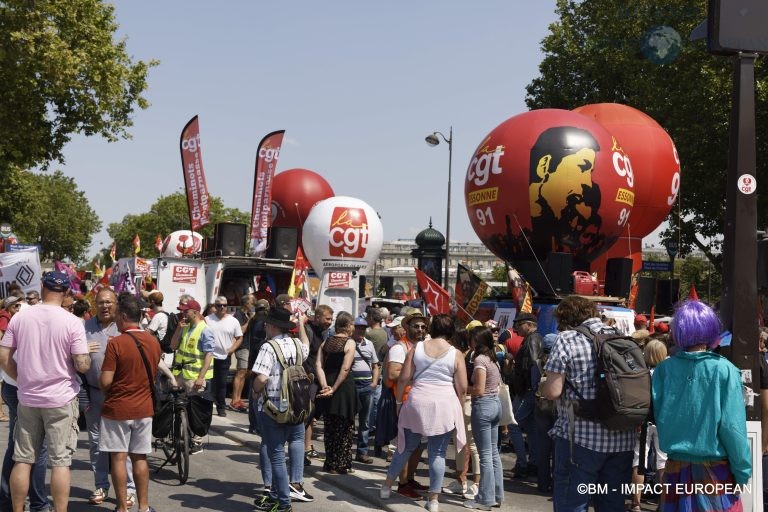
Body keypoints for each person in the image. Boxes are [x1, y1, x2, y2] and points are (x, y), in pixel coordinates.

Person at [0, 272, 91, 512]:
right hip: (60, 398)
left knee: (23, 459)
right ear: (66, 293)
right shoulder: (72, 321)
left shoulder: (21, 317)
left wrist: (22, 379)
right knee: (60, 462)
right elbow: (82, 365)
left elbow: (3, 356)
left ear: (42, 287)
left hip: (28, 397)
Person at [652, 300, 751, 511]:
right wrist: (743, 471)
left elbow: (660, 416)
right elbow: (733, 429)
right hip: (716, 472)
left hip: (675, 469)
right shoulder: (725, 370)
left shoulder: (664, 370)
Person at [540, 295, 636, 511]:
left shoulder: (567, 339)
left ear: (564, 319)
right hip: (622, 439)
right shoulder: (621, 336)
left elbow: (553, 391)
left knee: (572, 503)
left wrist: (544, 385)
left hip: (580, 440)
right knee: (612, 505)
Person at [380, 313, 468, 512]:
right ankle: (434, 500)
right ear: (450, 331)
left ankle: (386, 487)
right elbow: (461, 387)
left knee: (405, 446)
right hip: (444, 404)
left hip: (417, 401)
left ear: (431, 329)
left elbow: (403, 379)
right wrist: (459, 408)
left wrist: (398, 401)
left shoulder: (417, 348)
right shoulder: (456, 353)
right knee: (438, 453)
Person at [99, 293, 161, 512]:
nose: (115, 321)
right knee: (140, 458)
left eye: (117, 317)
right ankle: (143, 507)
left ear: (124, 316)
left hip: (118, 408)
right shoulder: (153, 342)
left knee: (118, 458)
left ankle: (121, 508)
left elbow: (105, 381)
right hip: (144, 408)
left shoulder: (116, 343)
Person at [252, 308, 314, 511]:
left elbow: (261, 378)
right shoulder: (296, 343)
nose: (265, 326)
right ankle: (292, 486)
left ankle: (283, 501)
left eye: (267, 323)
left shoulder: (269, 347)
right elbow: (306, 346)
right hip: (297, 405)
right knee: (296, 441)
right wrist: (301, 324)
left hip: (273, 408)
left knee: (276, 454)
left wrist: (254, 392)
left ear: (273, 326)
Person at [84, 288, 137, 506]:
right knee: (96, 443)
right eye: (101, 302)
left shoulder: (125, 326)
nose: (105, 306)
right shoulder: (84, 327)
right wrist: (80, 351)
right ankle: (101, 485)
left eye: (109, 302)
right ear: (94, 304)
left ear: (116, 304)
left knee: (123, 446)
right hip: (93, 395)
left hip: (120, 396)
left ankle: (129, 490)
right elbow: (70, 360)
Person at [463, 326, 503, 510]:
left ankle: (485, 499)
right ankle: (496, 495)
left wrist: (462, 388)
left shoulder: (479, 359)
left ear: (476, 341)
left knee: (485, 455)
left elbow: (478, 389)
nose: (469, 342)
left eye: (471, 339)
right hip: (495, 405)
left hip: (484, 405)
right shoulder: (492, 358)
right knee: (493, 453)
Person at [315, 312, 358, 474]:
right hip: (343, 387)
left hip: (327, 382)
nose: (353, 327)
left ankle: (330, 462)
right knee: (344, 426)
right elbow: (345, 369)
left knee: (330, 425)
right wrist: (333, 388)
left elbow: (318, 365)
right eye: (352, 324)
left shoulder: (326, 341)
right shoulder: (350, 342)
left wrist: (325, 385)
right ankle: (340, 464)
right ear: (347, 326)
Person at [170, 298, 215, 454]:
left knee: (195, 410)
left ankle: (196, 441)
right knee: (177, 406)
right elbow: (173, 346)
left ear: (195, 312)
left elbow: (209, 355)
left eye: (185, 311)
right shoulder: (186, 327)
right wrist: (178, 330)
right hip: (181, 375)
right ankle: (178, 435)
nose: (182, 313)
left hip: (195, 377)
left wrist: (201, 377)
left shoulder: (205, 330)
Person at [629, 338, 668, 512]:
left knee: (639, 461)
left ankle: (636, 503)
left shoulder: (641, 373)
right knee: (663, 462)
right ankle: (664, 503)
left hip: (643, 422)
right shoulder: (668, 373)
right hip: (663, 422)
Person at [442, 328, 480, 498]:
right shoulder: (473, 356)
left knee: (466, 444)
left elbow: (464, 386)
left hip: (464, 403)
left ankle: (468, 482)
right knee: (468, 444)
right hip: (467, 403)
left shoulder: (463, 357)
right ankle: (467, 482)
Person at [509, 312, 543, 479]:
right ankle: (533, 464)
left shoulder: (533, 340)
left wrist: (532, 390)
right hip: (528, 391)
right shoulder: (532, 339)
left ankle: (522, 464)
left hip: (527, 392)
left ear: (529, 325)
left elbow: (534, 367)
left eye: (519, 324)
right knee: (531, 429)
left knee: (513, 424)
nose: (516, 328)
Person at [302, 305, 333, 463]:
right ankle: (301, 450)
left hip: (317, 380)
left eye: (331, 319)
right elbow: (303, 354)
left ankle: (307, 448)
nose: (330, 322)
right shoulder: (307, 330)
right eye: (327, 318)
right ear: (318, 317)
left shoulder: (323, 332)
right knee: (306, 415)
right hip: (308, 380)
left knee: (312, 416)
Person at [205, 296, 243, 417]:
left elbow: (239, 337)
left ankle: (221, 407)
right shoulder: (207, 319)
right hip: (209, 356)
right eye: (219, 305)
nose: (222, 307)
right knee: (208, 383)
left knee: (221, 383)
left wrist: (232, 349)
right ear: (214, 306)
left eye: (224, 305)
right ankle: (207, 406)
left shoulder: (233, 321)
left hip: (224, 356)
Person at [350, 315, 380, 464]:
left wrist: (374, 382)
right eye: (358, 328)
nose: (361, 331)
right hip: (352, 387)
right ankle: (346, 451)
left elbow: (376, 365)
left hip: (367, 387)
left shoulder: (369, 344)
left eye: (363, 328)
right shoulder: (348, 343)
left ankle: (362, 452)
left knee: (365, 422)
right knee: (349, 420)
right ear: (353, 328)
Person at [231, 294, 256, 412]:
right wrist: (250, 320)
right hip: (242, 347)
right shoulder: (238, 314)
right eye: (252, 303)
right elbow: (240, 331)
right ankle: (234, 399)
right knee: (240, 372)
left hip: (248, 346)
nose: (253, 305)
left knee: (244, 372)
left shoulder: (246, 314)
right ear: (246, 303)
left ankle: (238, 398)